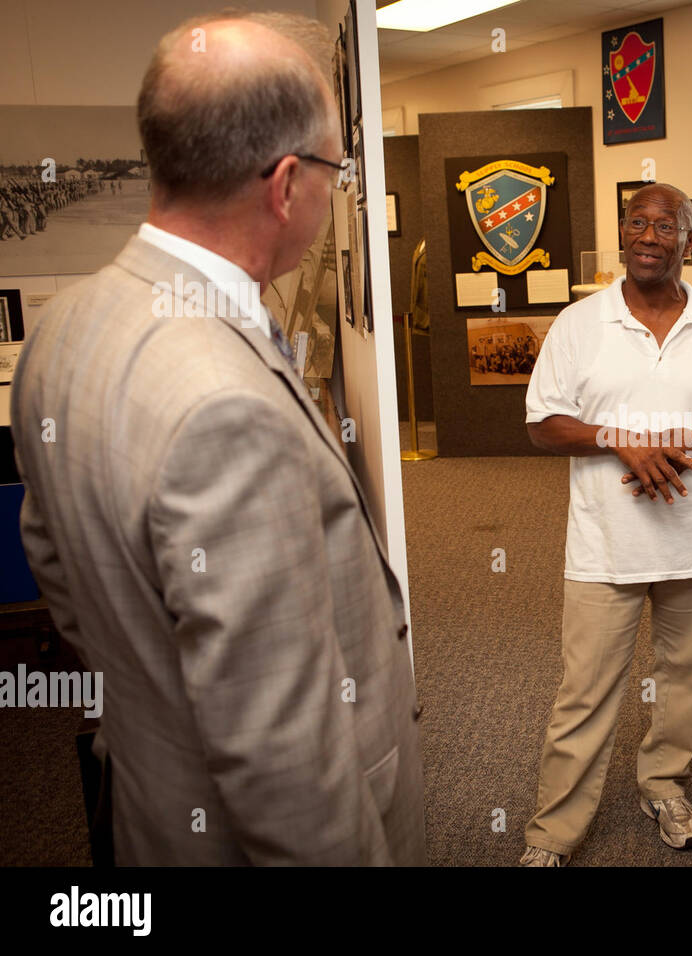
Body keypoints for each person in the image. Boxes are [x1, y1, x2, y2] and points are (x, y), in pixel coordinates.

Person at [10, 12, 426, 865]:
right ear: (284, 184)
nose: (330, 190)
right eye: (334, 172)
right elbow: (285, 767)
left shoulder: (64, 325)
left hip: (152, 793)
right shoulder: (225, 411)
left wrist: (151, 680)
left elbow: (51, 556)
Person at [520, 183, 692, 866]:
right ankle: (553, 833)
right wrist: (615, 439)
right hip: (606, 547)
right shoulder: (581, 323)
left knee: (683, 678)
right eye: (637, 223)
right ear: (623, 234)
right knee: (586, 690)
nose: (649, 236)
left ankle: (663, 786)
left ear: (691, 241)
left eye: (666, 226)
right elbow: (542, 423)